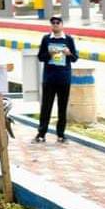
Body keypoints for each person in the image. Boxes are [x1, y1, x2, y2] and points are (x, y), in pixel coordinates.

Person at [34, 15, 78, 144]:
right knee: (46, 107)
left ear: (62, 24)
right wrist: (49, 54)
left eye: (57, 22)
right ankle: (41, 134)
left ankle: (61, 134)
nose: (55, 24)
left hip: (64, 78)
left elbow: (75, 58)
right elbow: (40, 57)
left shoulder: (68, 39)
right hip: (49, 78)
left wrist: (69, 54)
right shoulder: (46, 39)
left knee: (62, 107)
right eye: (53, 23)